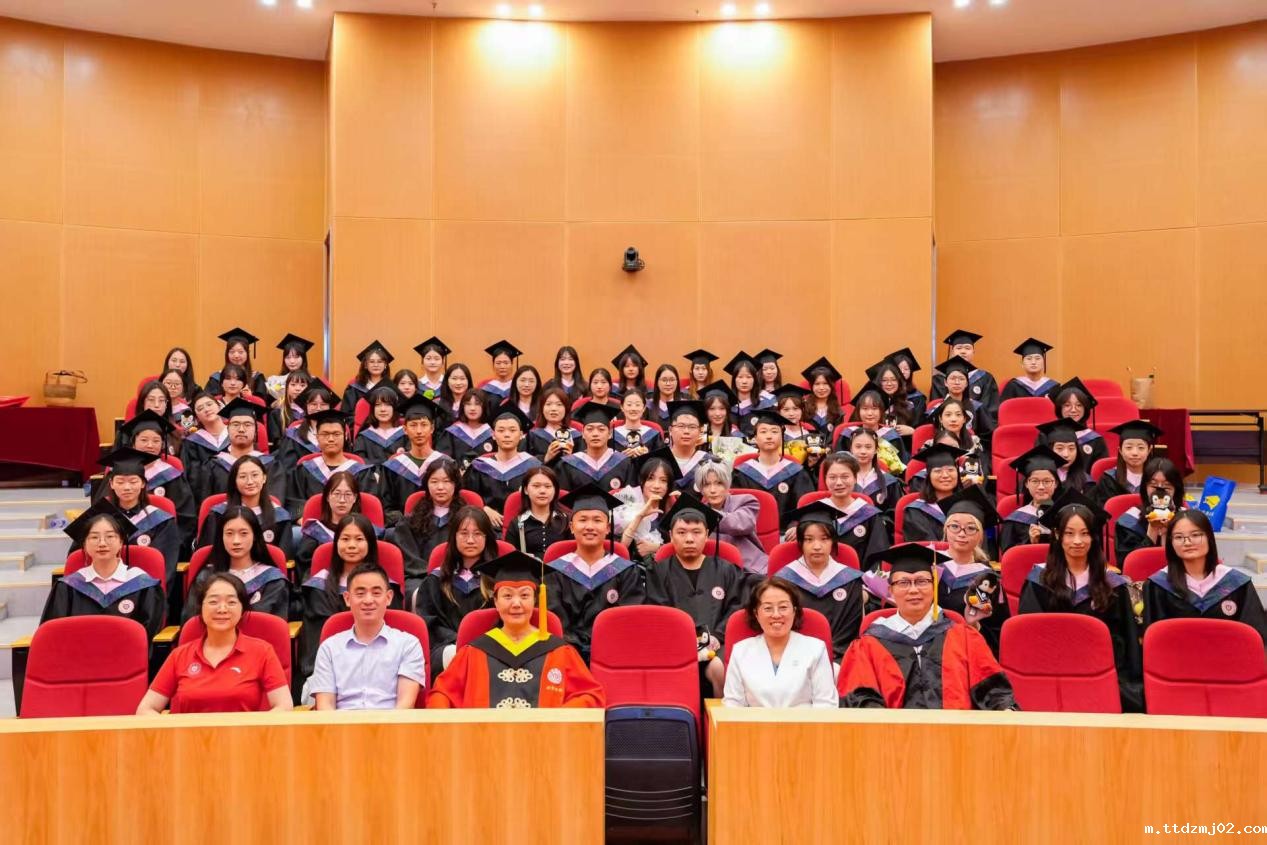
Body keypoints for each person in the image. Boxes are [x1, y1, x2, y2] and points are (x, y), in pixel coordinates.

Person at [840, 544, 1019, 710]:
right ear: (890, 591)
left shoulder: (964, 637)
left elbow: (993, 691)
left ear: (934, 586)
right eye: (903, 583)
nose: (913, 590)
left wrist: (1005, 709)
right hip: (893, 733)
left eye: (922, 581)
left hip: (956, 732)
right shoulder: (868, 644)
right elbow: (859, 699)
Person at [427, 551, 606, 708]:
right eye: (507, 596)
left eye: (524, 595)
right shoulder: (474, 652)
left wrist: (557, 719)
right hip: (484, 737)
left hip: (545, 737)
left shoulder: (559, 651)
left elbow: (590, 695)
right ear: (496, 602)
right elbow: (441, 694)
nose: (516, 603)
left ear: (535, 601)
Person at [1018, 493, 1142, 711]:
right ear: (1057, 535)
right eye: (1069, 533)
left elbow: (1126, 642)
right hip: (1050, 675)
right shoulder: (1039, 582)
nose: (1077, 541)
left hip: (1100, 675)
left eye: (1085, 533)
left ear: (1094, 537)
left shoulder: (1112, 585)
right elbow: (1029, 638)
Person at [138, 573, 291, 714]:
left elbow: (284, 706)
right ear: (200, 607)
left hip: (243, 734)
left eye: (231, 602)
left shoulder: (262, 651)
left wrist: (257, 730)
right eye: (213, 602)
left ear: (242, 609)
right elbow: (146, 709)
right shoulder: (180, 655)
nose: (222, 609)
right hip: (190, 735)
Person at [646, 494, 748, 696]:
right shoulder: (658, 571)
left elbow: (737, 608)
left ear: (707, 534)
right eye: (681, 532)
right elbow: (658, 612)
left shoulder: (727, 570)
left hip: (719, 642)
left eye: (696, 532)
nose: (689, 539)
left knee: (719, 667)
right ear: (671, 535)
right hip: (674, 644)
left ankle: (718, 712)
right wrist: (686, 640)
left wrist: (717, 637)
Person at [546, 485, 646, 661]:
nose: (590, 526)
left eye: (597, 520)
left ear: (607, 528)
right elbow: (555, 623)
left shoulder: (626, 571)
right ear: (571, 527)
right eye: (583, 520)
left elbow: (630, 619)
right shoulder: (555, 572)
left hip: (614, 655)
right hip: (568, 656)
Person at [41, 501, 166, 639]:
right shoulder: (68, 587)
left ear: (121, 542)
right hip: (78, 652)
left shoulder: (143, 585)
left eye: (110, 536)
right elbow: (54, 634)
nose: (102, 543)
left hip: (127, 652)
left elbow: (147, 636)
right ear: (84, 544)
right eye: (94, 537)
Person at [310, 562, 426, 710]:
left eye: (376, 593)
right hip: (342, 723)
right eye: (360, 593)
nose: (368, 600)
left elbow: (405, 705)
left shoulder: (408, 645)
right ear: (347, 598)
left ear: (389, 597)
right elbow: (325, 707)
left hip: (390, 722)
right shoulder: (329, 648)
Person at [1144, 510, 1267, 644]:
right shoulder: (1158, 585)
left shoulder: (1236, 583)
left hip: (1229, 656)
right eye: (1179, 537)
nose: (1187, 542)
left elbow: (1255, 638)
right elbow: (1153, 641)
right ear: (1171, 543)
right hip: (1176, 656)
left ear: (1209, 537)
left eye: (1195, 535)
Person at [299, 513, 396, 682]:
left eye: (359, 539)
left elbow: (392, 635)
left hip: (380, 668)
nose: (351, 545)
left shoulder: (385, 588)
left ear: (370, 543)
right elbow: (317, 638)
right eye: (345, 539)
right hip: (333, 668)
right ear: (336, 543)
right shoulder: (320, 586)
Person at [723, 577, 837, 708]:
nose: (776, 615)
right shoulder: (740, 651)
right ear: (756, 613)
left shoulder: (816, 649)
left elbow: (826, 704)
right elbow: (732, 705)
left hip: (805, 721)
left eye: (783, 607)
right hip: (754, 722)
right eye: (768, 608)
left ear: (794, 611)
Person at [413, 506, 498, 672]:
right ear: (454, 537)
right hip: (447, 648)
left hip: (491, 647)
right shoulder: (436, 580)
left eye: (478, 534)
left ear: (487, 538)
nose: (470, 540)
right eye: (464, 533)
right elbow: (429, 623)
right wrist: (458, 641)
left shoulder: (497, 580)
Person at [776, 502, 864, 661]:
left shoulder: (849, 580)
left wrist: (830, 658)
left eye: (824, 539)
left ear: (833, 542)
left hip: (839, 659)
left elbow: (850, 630)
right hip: (793, 658)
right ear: (800, 543)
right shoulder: (783, 581)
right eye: (809, 539)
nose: (817, 546)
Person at [89, 447, 183, 585]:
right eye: (120, 482)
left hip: (145, 590)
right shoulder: (96, 518)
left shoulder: (161, 521)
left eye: (133, 482)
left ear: (143, 484)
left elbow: (165, 567)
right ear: (111, 484)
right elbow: (81, 558)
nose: (127, 487)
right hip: (100, 585)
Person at [936, 486, 1009, 655]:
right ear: (946, 529)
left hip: (968, 652)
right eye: (955, 526)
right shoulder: (928, 566)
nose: (962, 534)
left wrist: (975, 625)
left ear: (980, 535)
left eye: (971, 528)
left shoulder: (988, 580)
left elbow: (998, 631)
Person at [184, 506, 290, 621]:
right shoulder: (205, 578)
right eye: (229, 533)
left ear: (255, 536)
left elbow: (274, 625)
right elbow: (191, 621)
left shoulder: (272, 580)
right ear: (221, 537)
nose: (236, 541)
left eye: (243, 533)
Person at [117, 410, 197, 551]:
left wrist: (168, 544)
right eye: (144, 440)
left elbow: (185, 518)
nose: (150, 445)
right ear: (133, 442)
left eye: (156, 441)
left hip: (164, 544)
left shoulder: (171, 475)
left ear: (162, 444)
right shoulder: (118, 475)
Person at [199, 455, 295, 560]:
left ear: (264, 478)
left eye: (255, 475)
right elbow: (207, 556)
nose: (250, 482)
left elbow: (283, 559)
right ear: (234, 481)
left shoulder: (280, 517)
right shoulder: (219, 514)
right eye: (242, 476)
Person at [390, 458, 464, 596]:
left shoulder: (466, 519)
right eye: (434, 481)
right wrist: (433, 576)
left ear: (455, 484)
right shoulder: (411, 520)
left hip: (458, 575)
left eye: (447, 481)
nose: (440, 487)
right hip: (420, 577)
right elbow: (410, 558)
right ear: (427, 484)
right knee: (419, 592)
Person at [732, 409, 814, 529]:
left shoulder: (796, 472)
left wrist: (796, 526)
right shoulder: (742, 472)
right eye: (763, 432)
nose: (769, 436)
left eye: (774, 431)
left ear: (782, 437)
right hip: (747, 533)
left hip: (785, 534)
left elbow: (806, 507)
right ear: (755, 438)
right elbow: (733, 507)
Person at [376, 396, 450, 525]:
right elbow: (386, 508)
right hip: (402, 529)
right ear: (405, 429)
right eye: (413, 425)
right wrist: (405, 524)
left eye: (424, 425)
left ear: (432, 428)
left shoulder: (447, 464)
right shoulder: (392, 468)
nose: (419, 431)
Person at [466, 406, 542, 526]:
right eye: (501, 431)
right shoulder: (479, 466)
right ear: (493, 435)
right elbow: (467, 497)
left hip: (524, 526)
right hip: (486, 526)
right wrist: (483, 508)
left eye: (512, 430)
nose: (507, 435)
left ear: (521, 435)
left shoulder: (533, 467)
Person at [202, 398, 284, 504]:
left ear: (255, 432)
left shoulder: (270, 465)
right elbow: (207, 506)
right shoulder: (213, 466)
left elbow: (275, 504)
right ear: (228, 430)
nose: (241, 429)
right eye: (235, 424)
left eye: (247, 425)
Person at [811, 452, 889, 563]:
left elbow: (877, 557)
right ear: (825, 479)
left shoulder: (869, 515)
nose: (838, 483)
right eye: (832, 477)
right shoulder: (814, 512)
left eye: (845, 477)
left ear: (855, 478)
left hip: (860, 574)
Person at [696, 457, 768, 575]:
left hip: (750, 570)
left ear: (727, 484)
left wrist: (702, 512)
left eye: (719, 483)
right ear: (701, 489)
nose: (713, 490)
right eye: (707, 485)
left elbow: (740, 524)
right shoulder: (697, 512)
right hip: (712, 572)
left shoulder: (747, 501)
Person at [297, 470, 365, 579]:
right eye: (337, 494)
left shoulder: (365, 531)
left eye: (348, 494)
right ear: (328, 497)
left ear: (355, 498)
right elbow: (305, 570)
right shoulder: (315, 532)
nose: (342, 500)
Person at [998, 446, 1065, 554]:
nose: (1041, 487)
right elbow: (1008, 555)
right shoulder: (1015, 520)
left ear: (1056, 484)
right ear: (1026, 484)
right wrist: (1030, 542)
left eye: (1047, 481)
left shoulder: (1066, 515)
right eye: (1035, 481)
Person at [1115, 456, 1184, 560]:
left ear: (1176, 489)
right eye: (1153, 485)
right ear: (1144, 488)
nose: (1160, 490)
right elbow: (1127, 563)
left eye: (1166, 485)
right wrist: (1152, 532)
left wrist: (1167, 535)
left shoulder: (1186, 519)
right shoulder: (1128, 522)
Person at [556, 402, 635, 493]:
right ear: (583, 434)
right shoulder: (568, 464)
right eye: (590, 429)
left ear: (610, 434)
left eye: (601, 429)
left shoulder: (624, 463)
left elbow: (631, 498)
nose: (595, 434)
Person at [614, 454, 676, 564]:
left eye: (663, 480)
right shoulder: (627, 500)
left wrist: (658, 547)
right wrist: (640, 516)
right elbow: (620, 548)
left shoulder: (671, 508)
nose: (656, 485)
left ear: (668, 486)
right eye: (650, 478)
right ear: (642, 481)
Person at [929, 329, 1000, 422]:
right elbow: (936, 407)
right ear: (952, 352)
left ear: (973, 352)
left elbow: (991, 411)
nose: (963, 351)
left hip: (978, 425)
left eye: (967, 348)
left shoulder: (986, 378)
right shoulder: (939, 379)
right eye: (959, 348)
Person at [900, 444, 966, 543]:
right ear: (928, 476)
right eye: (938, 471)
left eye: (950, 470)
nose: (945, 475)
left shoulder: (970, 506)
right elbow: (926, 548)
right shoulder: (916, 511)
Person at [506, 466, 572, 560]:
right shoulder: (516, 523)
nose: (542, 491)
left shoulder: (567, 521)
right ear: (526, 490)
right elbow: (509, 558)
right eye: (536, 486)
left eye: (548, 486)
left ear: (555, 490)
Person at [1091, 420, 1163, 505]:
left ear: (1149, 450)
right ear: (1120, 450)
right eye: (1129, 447)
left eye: (1141, 448)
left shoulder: (1158, 479)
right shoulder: (1109, 480)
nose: (1135, 453)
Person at [927, 355, 994, 443]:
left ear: (966, 383)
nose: (957, 382)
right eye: (953, 378)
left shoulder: (977, 408)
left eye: (961, 379)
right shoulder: (936, 410)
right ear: (945, 382)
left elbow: (987, 437)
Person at [1042, 378, 1108, 464]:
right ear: (1059, 408)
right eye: (1067, 405)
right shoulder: (1045, 436)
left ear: (1085, 408)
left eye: (1079, 405)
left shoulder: (1095, 440)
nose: (1073, 410)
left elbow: (1099, 470)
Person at [179, 392, 230, 503]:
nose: (206, 409)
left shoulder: (236, 434)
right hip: (207, 498)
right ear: (196, 418)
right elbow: (192, 478)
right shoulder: (191, 443)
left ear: (219, 406)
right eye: (200, 408)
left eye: (209, 404)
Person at [849, 429, 904, 527]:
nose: (863, 451)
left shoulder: (889, 482)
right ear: (851, 449)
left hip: (879, 530)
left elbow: (895, 514)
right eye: (858, 446)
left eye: (868, 447)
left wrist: (877, 524)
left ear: (876, 450)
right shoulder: (842, 479)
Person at [204, 328, 268, 399]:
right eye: (232, 352)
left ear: (247, 353)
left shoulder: (257, 378)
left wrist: (250, 397)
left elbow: (263, 403)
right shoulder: (216, 378)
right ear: (227, 354)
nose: (236, 355)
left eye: (240, 352)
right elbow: (208, 400)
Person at [1034, 418, 1093, 494]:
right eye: (1060, 448)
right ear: (1050, 450)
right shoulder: (1035, 478)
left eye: (1071, 448)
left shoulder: (1085, 482)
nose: (1066, 454)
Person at [351, 386, 406, 464]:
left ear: (394, 408)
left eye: (387, 404)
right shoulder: (363, 437)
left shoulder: (405, 435)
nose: (382, 409)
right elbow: (360, 463)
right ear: (372, 409)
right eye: (378, 405)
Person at [527, 387, 581, 466]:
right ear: (542, 408)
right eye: (548, 404)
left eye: (559, 404)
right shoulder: (532, 436)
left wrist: (570, 458)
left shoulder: (577, 437)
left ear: (566, 409)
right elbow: (525, 466)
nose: (553, 409)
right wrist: (546, 458)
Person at [662, 401, 710, 490]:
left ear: (700, 431)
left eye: (692, 427)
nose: (686, 431)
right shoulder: (659, 460)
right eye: (681, 426)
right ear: (670, 430)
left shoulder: (709, 463)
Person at [442, 390, 493, 471]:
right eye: (468, 404)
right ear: (463, 407)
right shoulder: (452, 432)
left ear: (484, 407)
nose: (472, 408)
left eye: (477, 404)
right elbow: (444, 461)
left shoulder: (492, 434)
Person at [342, 340, 394, 416]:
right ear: (366, 365)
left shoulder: (391, 387)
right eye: (372, 362)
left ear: (385, 365)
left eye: (380, 361)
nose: (376, 365)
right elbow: (346, 414)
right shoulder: (354, 389)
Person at [612, 388, 663, 457]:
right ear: (622, 407)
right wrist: (620, 458)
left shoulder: (654, 435)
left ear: (644, 408)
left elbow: (661, 460)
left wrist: (648, 456)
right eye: (629, 405)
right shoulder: (612, 435)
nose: (633, 408)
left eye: (637, 405)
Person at [267, 369, 310, 448]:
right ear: (287, 387)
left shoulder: (313, 413)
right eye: (293, 385)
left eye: (302, 385)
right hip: (286, 452)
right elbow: (276, 442)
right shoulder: (277, 413)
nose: (298, 388)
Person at [266, 333, 315, 402]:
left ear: (303, 358)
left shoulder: (312, 381)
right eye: (288, 357)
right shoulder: (275, 381)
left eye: (296, 357)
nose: (292, 361)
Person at [801, 357, 846, 432]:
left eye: (825, 383)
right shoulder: (804, 408)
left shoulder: (838, 412)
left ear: (831, 386)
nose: (821, 388)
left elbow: (838, 436)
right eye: (817, 384)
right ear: (811, 386)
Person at [724, 352, 762, 432]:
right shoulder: (726, 405)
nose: (744, 381)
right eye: (740, 377)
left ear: (755, 380)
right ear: (734, 380)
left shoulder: (763, 406)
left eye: (749, 377)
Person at [888, 347, 927, 422]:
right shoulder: (886, 395)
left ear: (911, 372)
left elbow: (918, 421)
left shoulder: (918, 398)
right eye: (899, 369)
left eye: (906, 369)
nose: (902, 372)